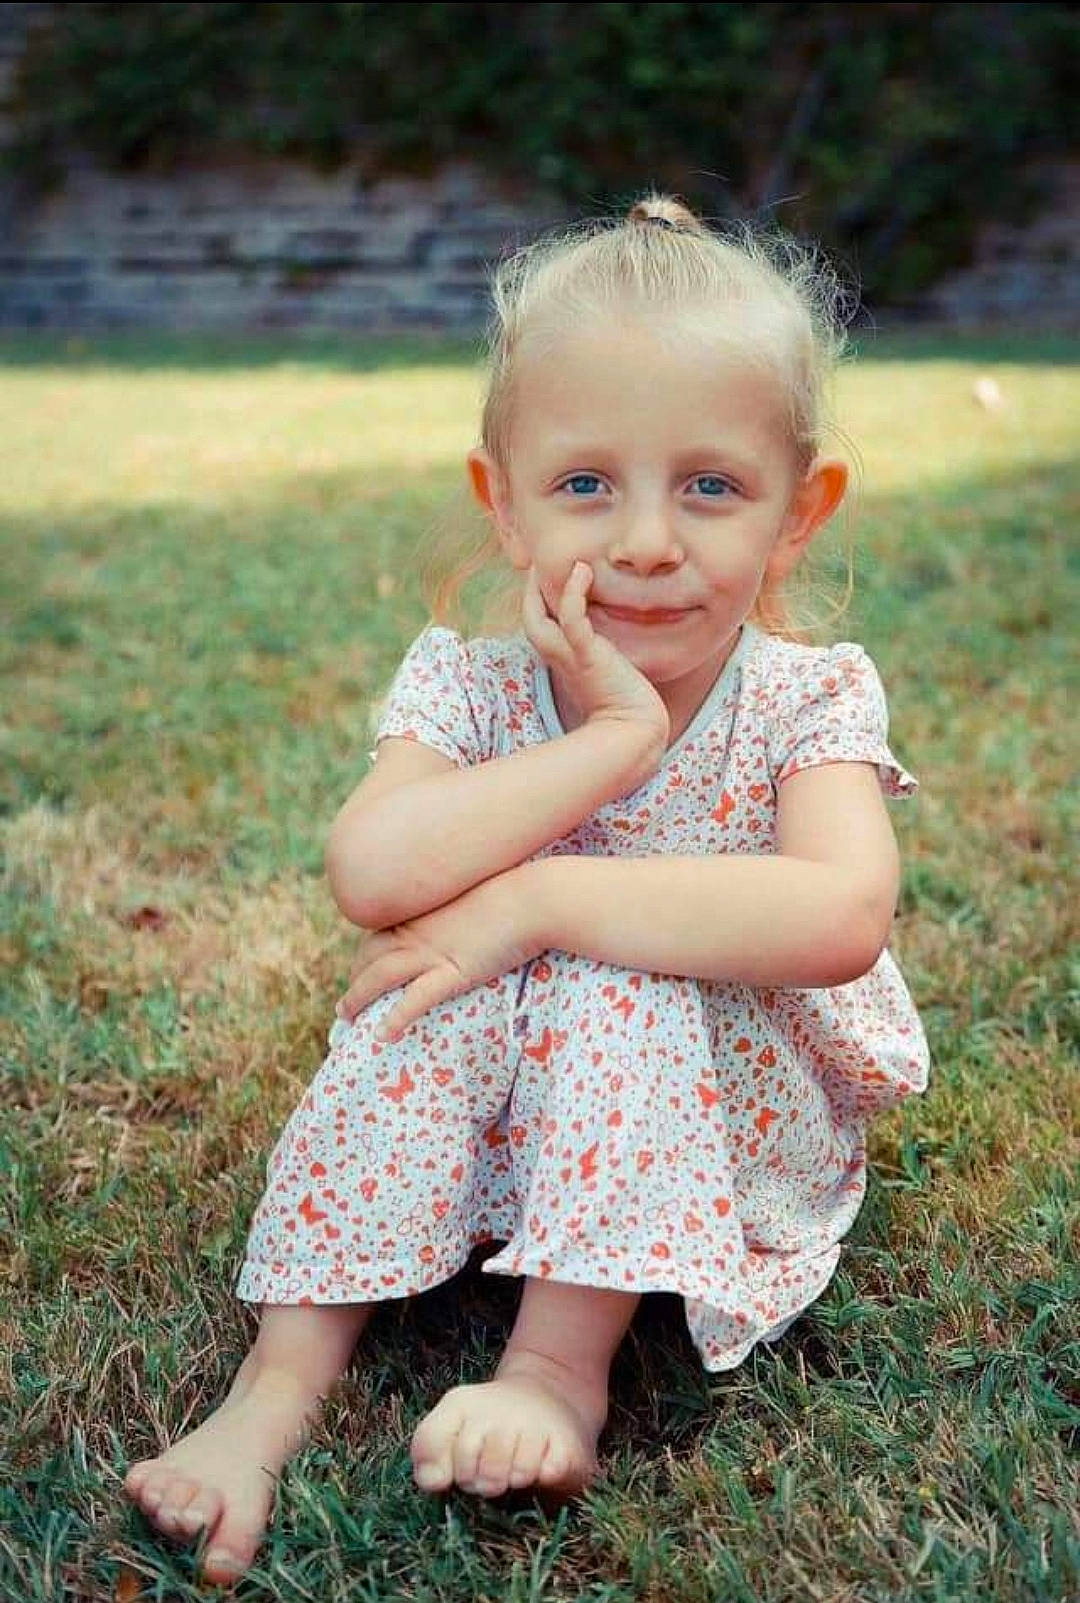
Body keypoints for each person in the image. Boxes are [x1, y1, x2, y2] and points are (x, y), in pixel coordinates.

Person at [124, 193, 930, 1584]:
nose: (647, 541)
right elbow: (371, 871)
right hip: (494, 1088)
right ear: (503, 503)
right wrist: (609, 744)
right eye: (585, 486)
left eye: (711, 487)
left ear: (800, 515)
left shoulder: (807, 697)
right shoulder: (469, 680)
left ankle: (556, 1372)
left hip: (718, 1110)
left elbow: (841, 915)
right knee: (412, 988)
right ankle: (271, 1394)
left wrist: (540, 902)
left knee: (611, 972)